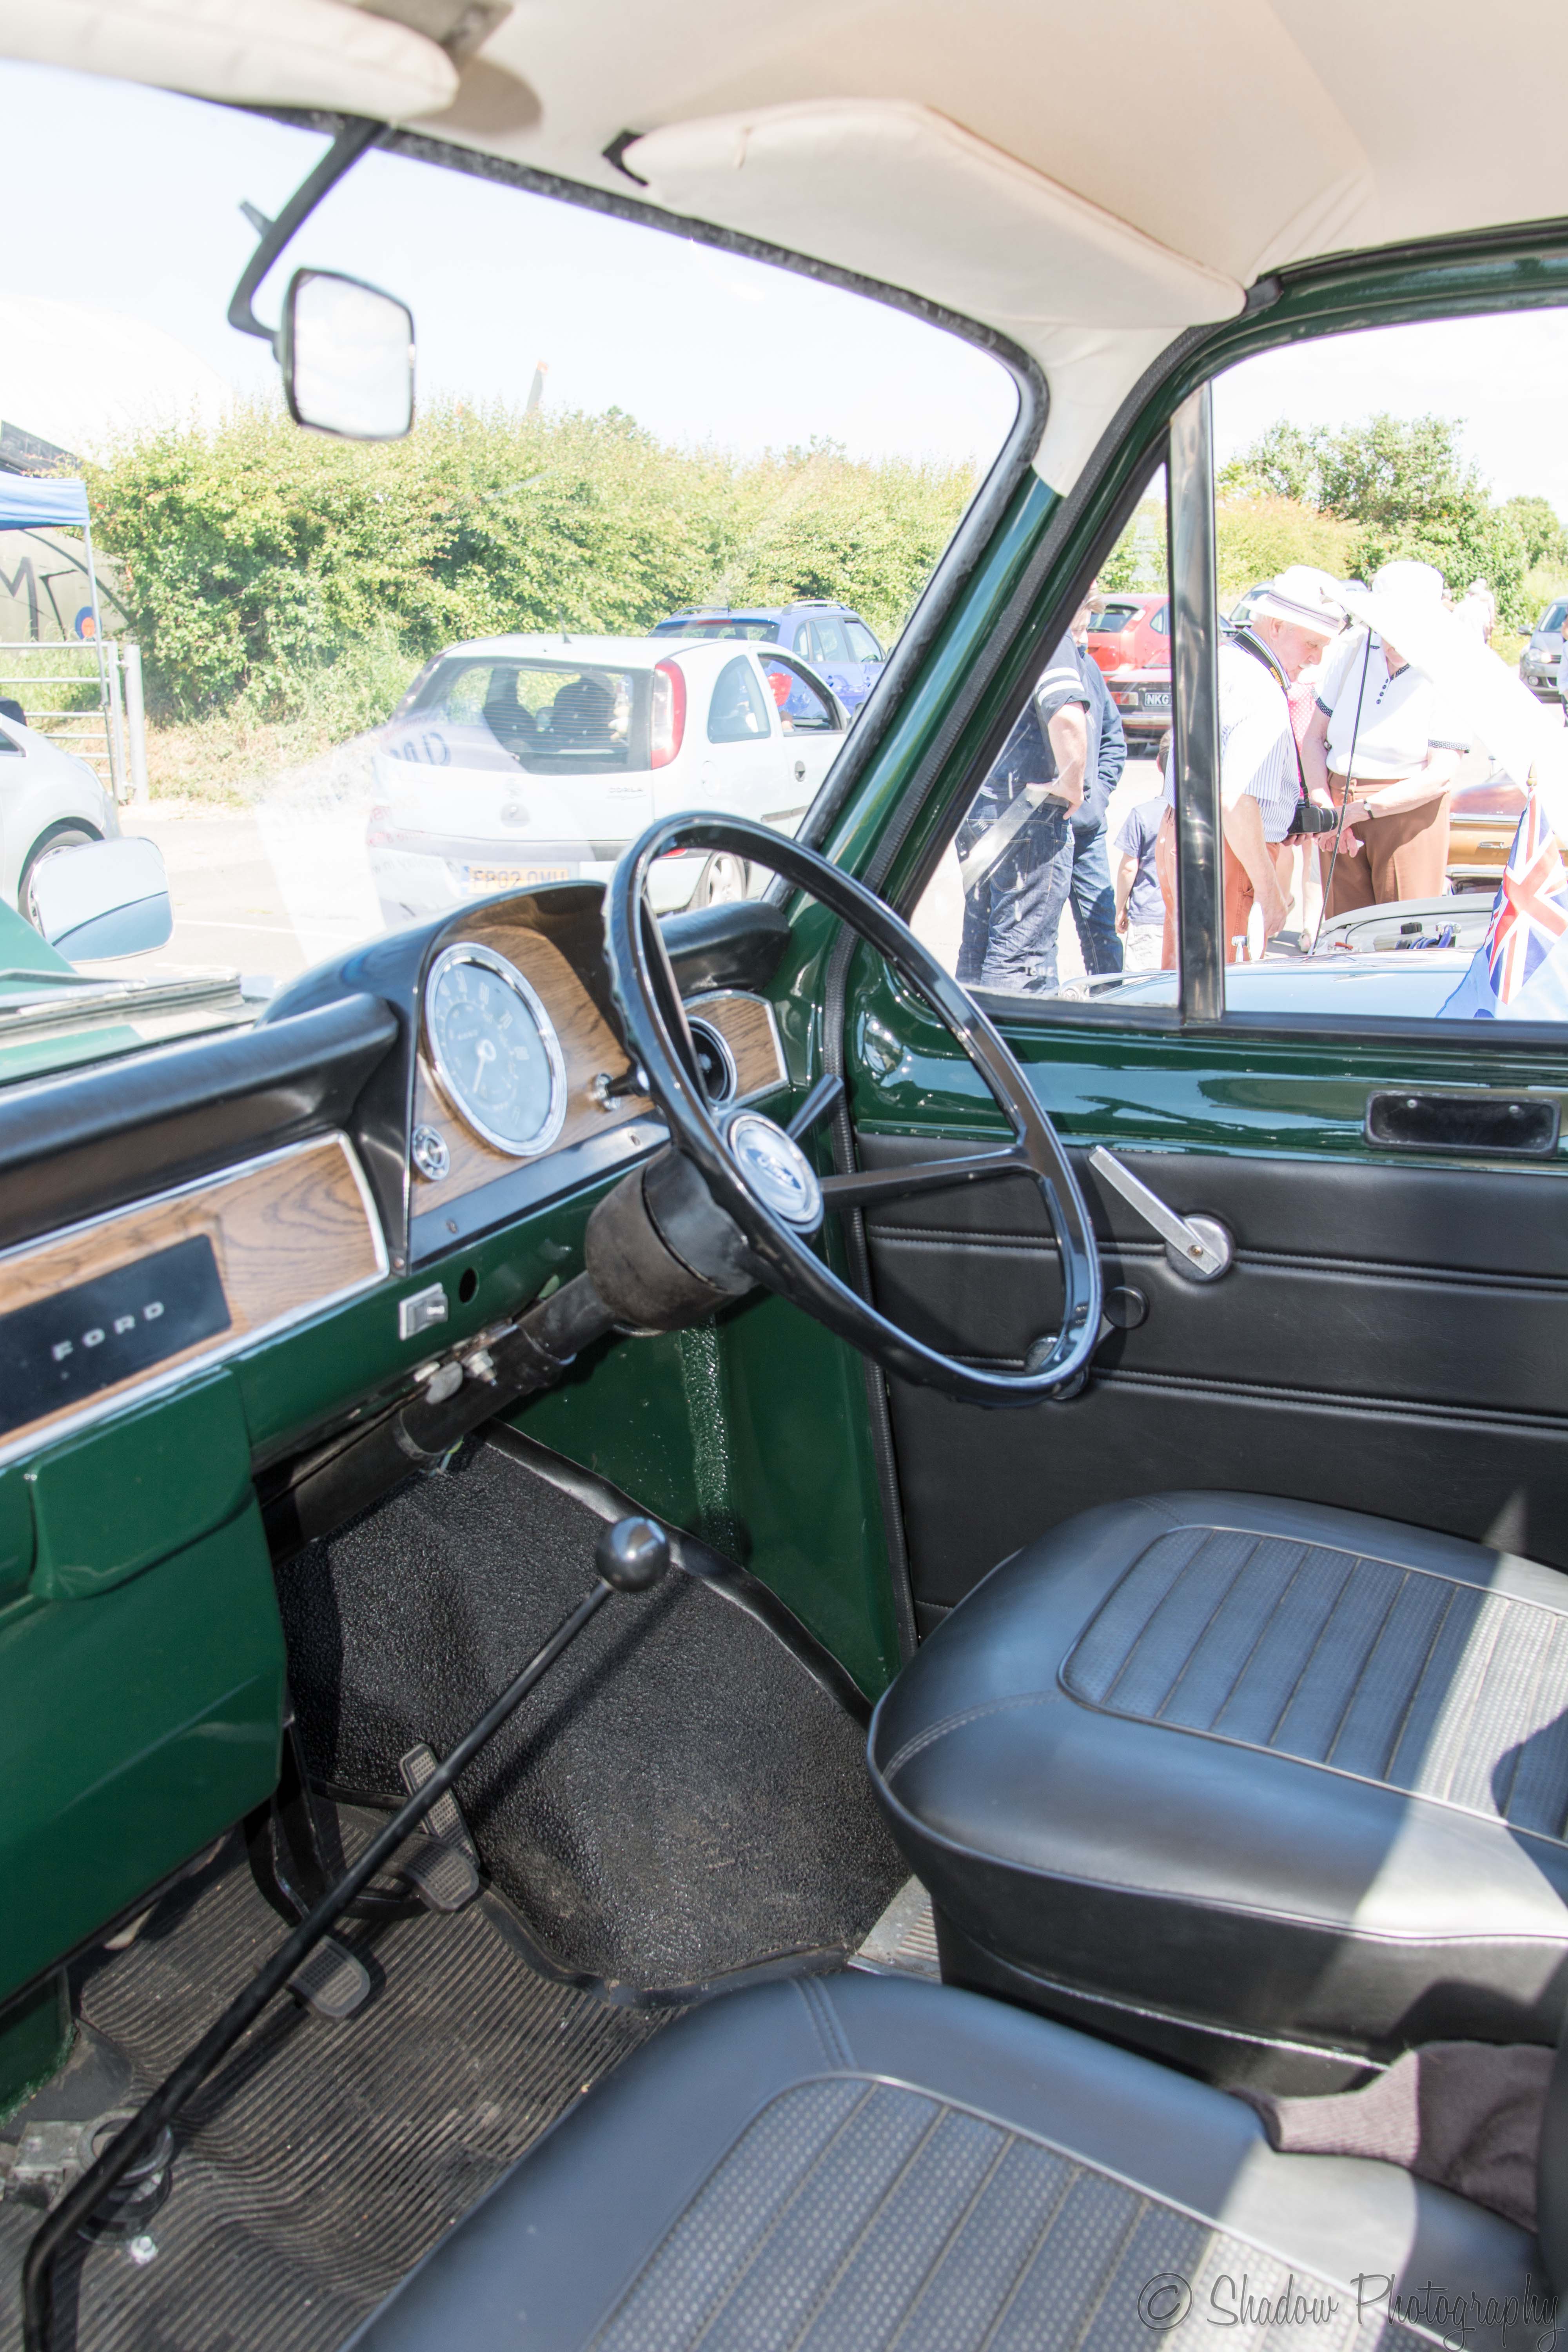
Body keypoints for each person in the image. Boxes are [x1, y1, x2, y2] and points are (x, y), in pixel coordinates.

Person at [1156, 566, 1348, 965]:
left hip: (1184, 835)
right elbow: (1235, 802)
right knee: (1226, 983)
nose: (1315, 659)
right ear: (1276, 626)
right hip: (1228, 852)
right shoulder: (1261, 688)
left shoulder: (1220, 660)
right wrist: (1269, 891)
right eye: (1312, 644)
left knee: (1185, 976)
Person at [1300, 560, 1470, 920]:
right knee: (1343, 933)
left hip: (1407, 816)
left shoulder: (1452, 665)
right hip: (1337, 805)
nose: (1395, 640)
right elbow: (1313, 738)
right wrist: (1327, 810)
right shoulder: (1352, 648)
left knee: (1402, 932)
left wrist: (1357, 812)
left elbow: (1441, 775)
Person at [955, 635, 1089, 994]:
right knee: (1019, 956)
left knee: (979, 946)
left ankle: (966, 1027)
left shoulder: (988, 630)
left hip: (976, 806)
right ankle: (1008, 1031)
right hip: (1026, 812)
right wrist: (1072, 784)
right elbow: (1067, 716)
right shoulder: (1049, 633)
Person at [1067, 583, 1126, 975]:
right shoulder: (1046, 670)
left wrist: (1098, 795)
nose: (1084, 640)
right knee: (1034, 937)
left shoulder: (1089, 668)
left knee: (1101, 927)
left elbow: (1113, 740)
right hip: (1044, 827)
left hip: (1088, 828)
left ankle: (1109, 997)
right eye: (1076, 631)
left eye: (1087, 629)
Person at [1112, 729, 1169, 971]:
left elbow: (1129, 869)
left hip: (1149, 919)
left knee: (1145, 986)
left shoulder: (1143, 814)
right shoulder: (1205, 816)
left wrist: (1120, 907)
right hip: (1192, 920)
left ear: (1158, 764)